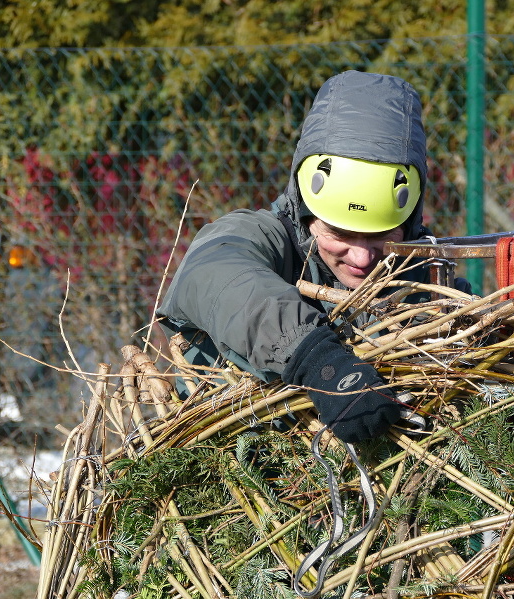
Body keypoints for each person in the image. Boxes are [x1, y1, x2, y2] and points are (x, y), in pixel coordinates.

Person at [157, 71, 466, 444]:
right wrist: (318, 360)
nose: (363, 256)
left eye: (381, 234)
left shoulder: (426, 284)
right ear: (307, 209)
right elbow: (216, 275)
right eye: (340, 233)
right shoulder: (258, 236)